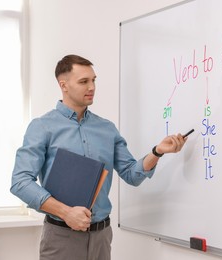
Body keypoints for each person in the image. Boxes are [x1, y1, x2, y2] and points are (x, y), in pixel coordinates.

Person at [10, 54, 187, 260]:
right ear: (63, 85)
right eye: (83, 81)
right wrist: (66, 212)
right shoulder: (42, 127)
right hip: (61, 237)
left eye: (93, 80)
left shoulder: (107, 129)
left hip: (102, 237)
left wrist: (157, 152)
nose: (91, 87)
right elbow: (20, 182)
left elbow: (132, 174)